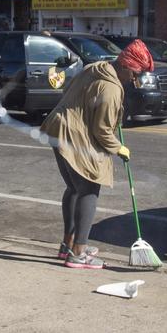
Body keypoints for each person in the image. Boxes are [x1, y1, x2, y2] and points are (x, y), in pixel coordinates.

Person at [42, 39, 153, 269]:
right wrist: (118, 148)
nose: (135, 80)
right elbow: (101, 130)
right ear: (124, 66)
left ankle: (69, 245)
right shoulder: (112, 88)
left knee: (74, 188)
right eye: (134, 74)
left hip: (58, 128)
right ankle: (78, 253)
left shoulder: (94, 68)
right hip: (74, 136)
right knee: (89, 189)